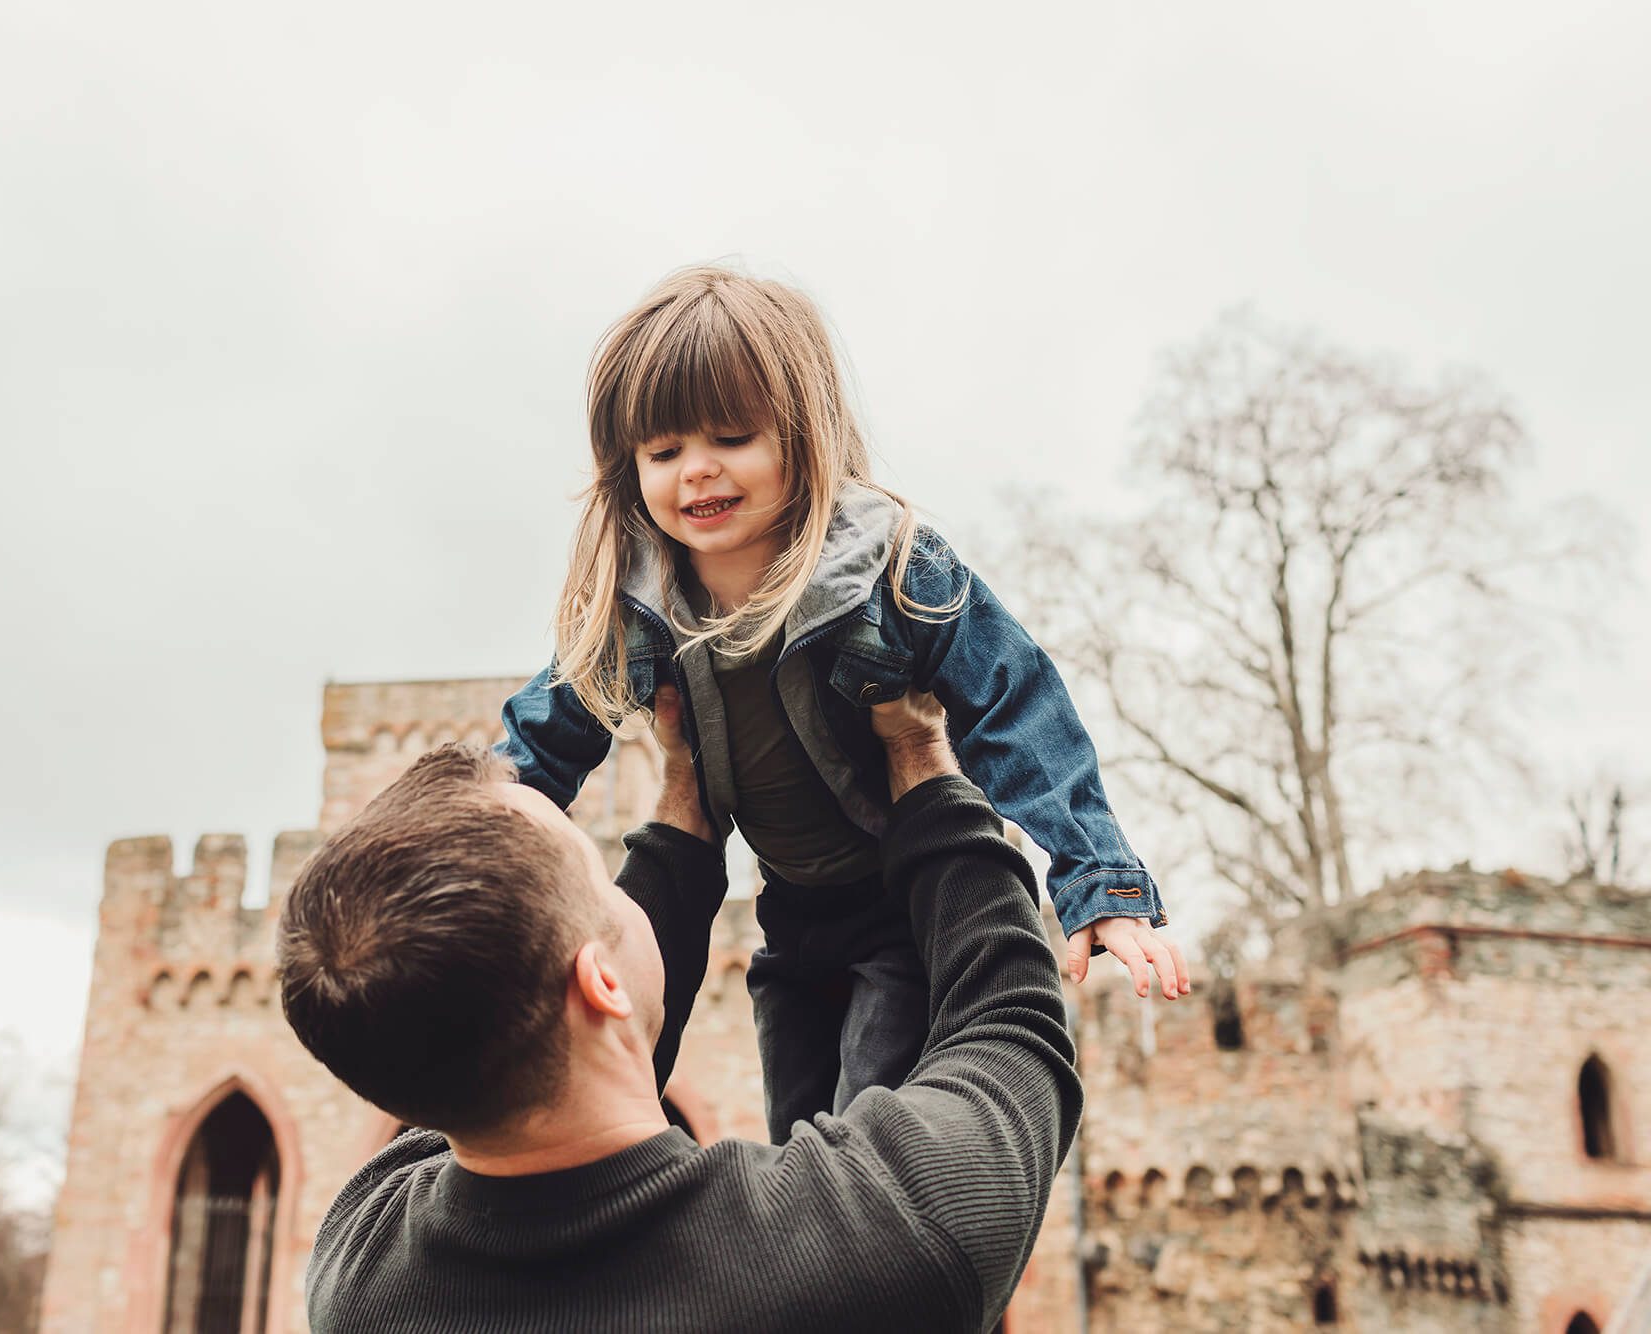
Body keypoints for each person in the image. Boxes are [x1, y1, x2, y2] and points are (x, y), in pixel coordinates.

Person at [498, 264, 1184, 1143]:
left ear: (803, 434)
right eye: (663, 452)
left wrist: (1101, 882)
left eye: (732, 437)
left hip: (897, 904)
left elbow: (1016, 705)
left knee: (869, 1134)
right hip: (787, 918)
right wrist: (454, 865)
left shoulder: (892, 569)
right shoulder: (635, 602)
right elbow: (535, 751)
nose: (696, 471)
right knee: (798, 1133)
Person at [278, 685, 1188, 1332]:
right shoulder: (881, 1245)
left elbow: (574, 1041)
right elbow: (1011, 1031)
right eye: (602, 876)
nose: (624, 883)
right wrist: (923, 759)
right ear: (598, 982)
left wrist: (684, 804)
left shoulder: (361, 1275)